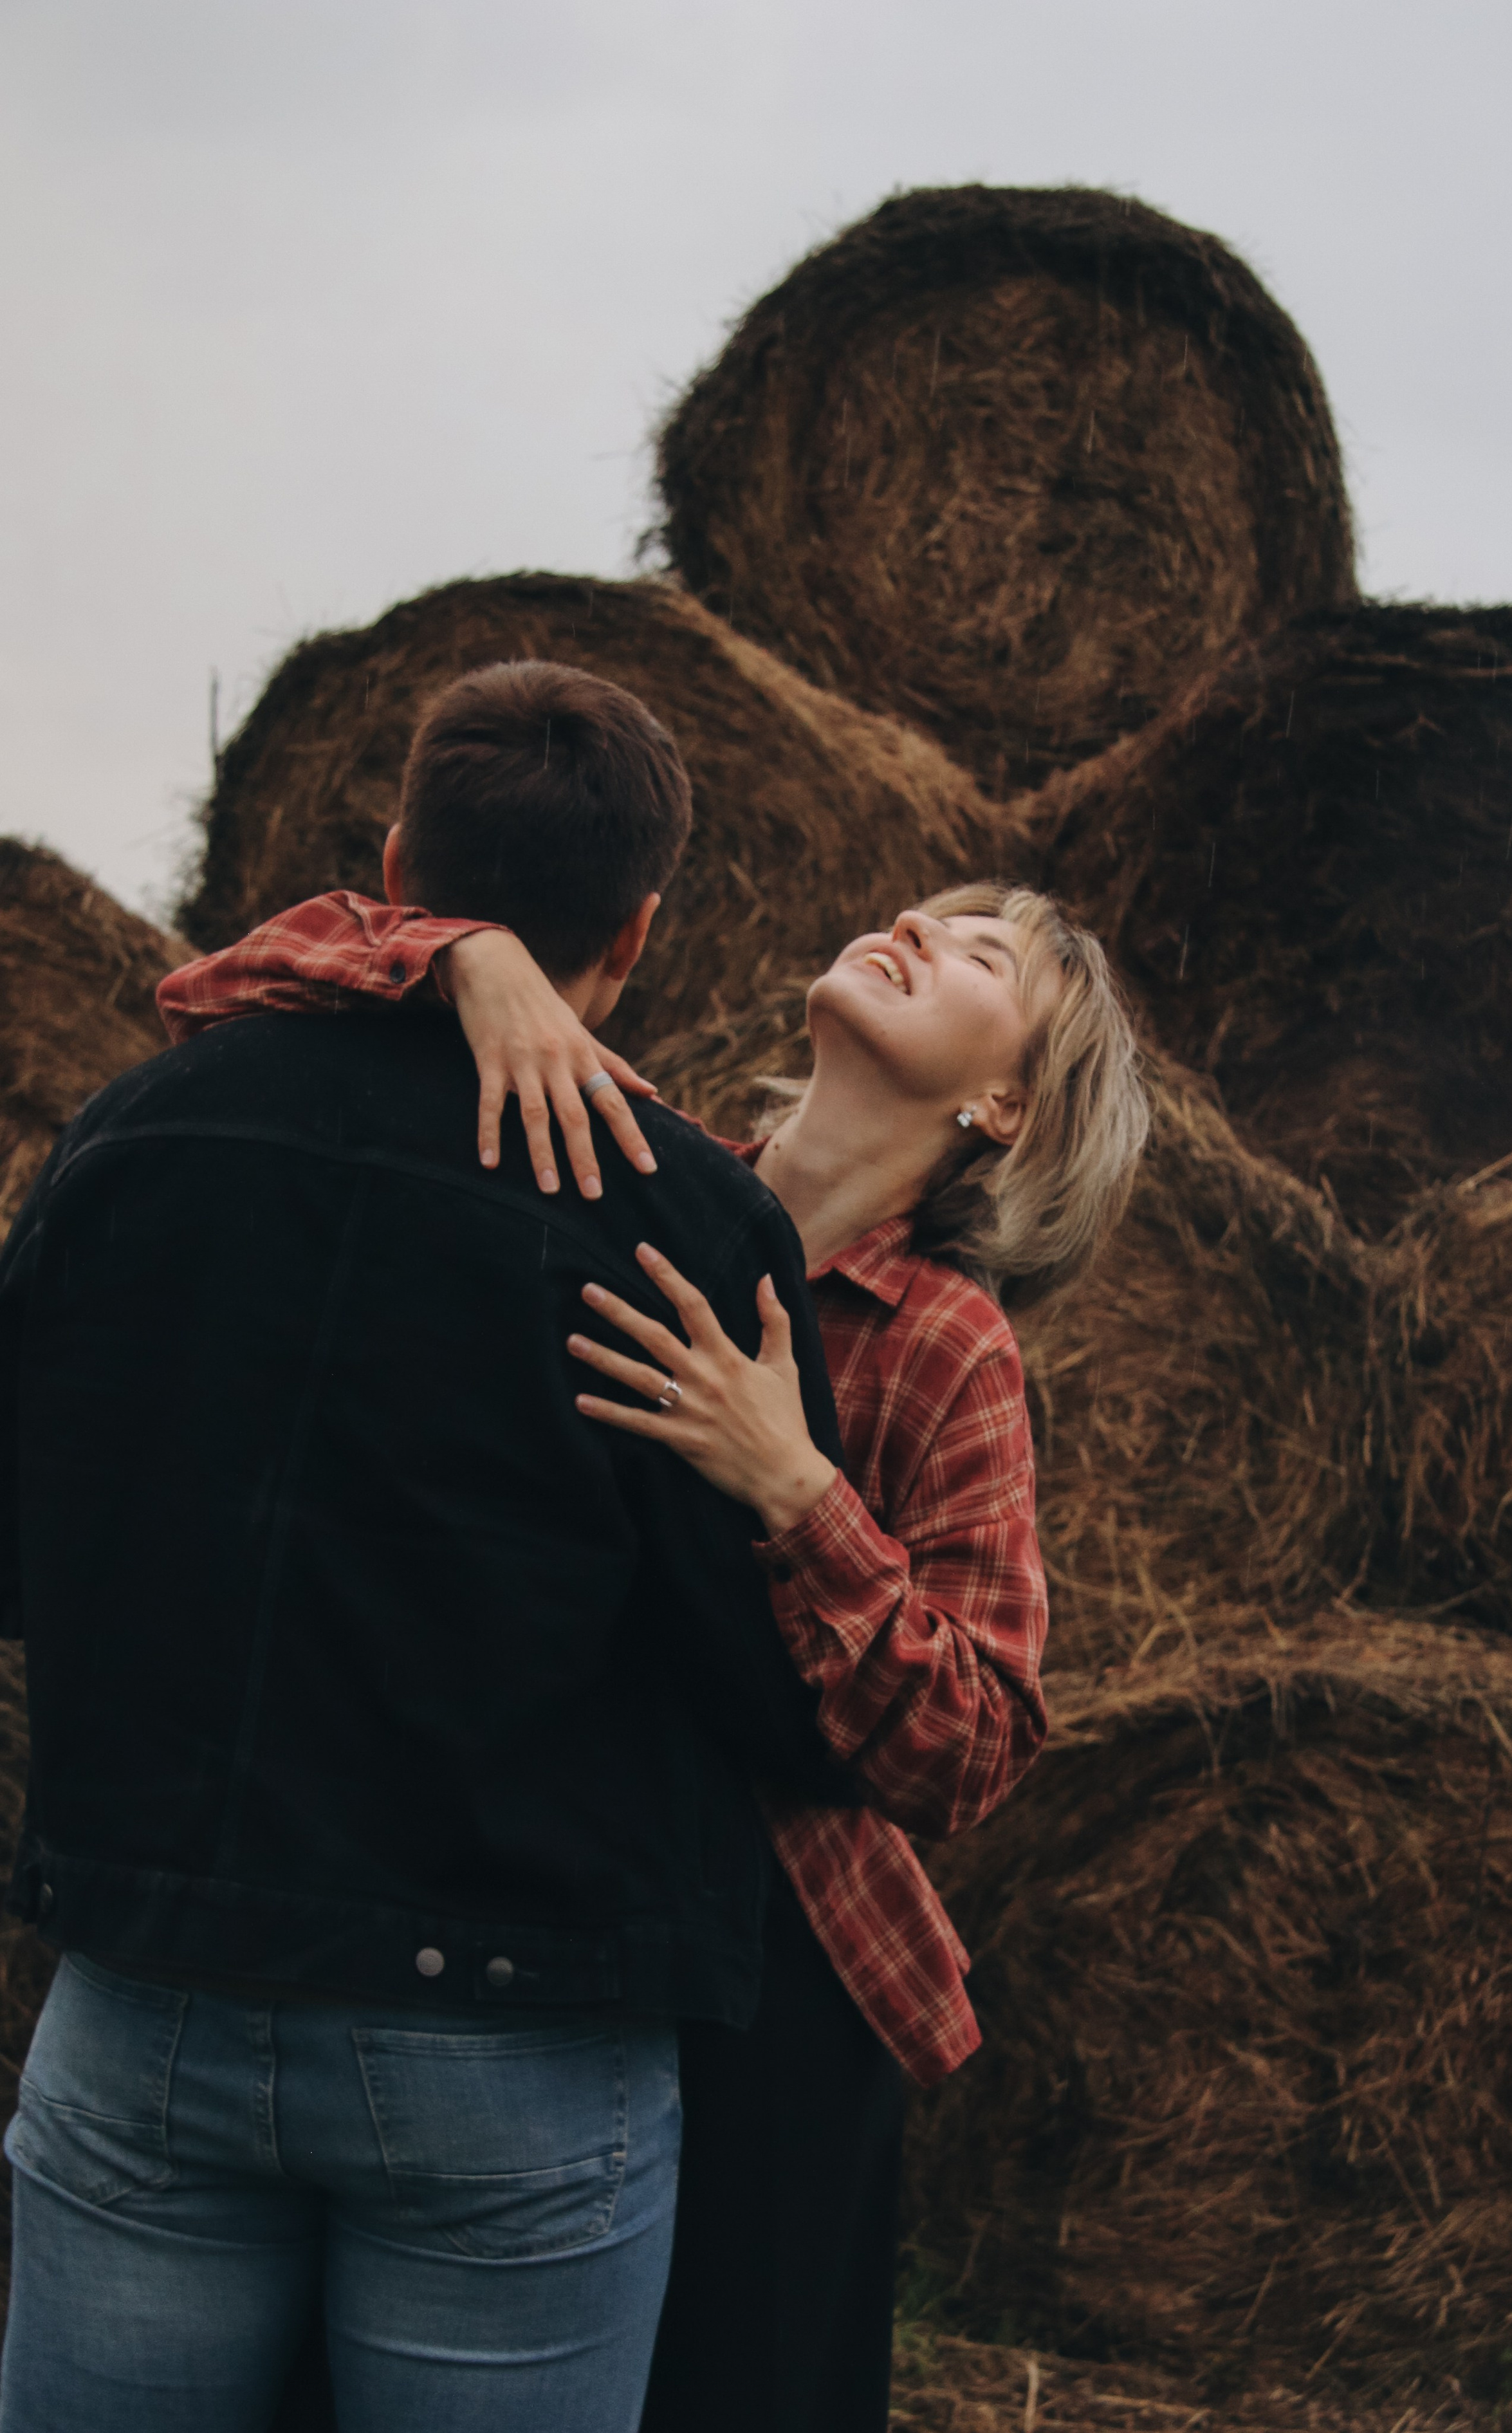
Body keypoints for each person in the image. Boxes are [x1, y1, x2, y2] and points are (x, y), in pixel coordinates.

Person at [160, 804, 1151, 2430]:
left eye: (980, 953)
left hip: (766, 1977)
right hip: (512, 1897)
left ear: (1003, 1107)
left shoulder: (944, 1342)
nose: (914, 925)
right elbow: (218, 992)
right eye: (922, 907)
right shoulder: (619, 1174)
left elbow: (975, 1742)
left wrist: (792, 1482)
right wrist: (470, 959)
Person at [0, 660, 864, 2433]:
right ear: (636, 931)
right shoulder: (686, 1219)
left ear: (395, 863)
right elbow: (773, 1685)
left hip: (151, 1981)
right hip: (515, 2040)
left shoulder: (140, 1130)